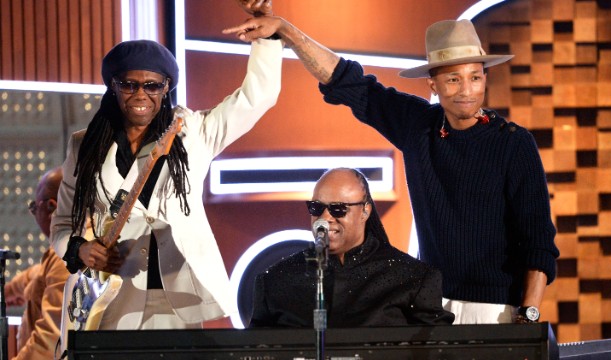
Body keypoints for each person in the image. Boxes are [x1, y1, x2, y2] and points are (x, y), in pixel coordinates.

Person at [224, 16, 560, 324]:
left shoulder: (514, 144)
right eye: (454, 79)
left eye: (475, 77)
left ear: (486, 77)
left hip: (498, 310)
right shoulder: (419, 126)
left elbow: (538, 243)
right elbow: (348, 82)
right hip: (431, 305)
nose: (467, 90)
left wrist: (527, 315)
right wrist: (286, 31)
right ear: (434, 85)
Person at [50, 1, 282, 331]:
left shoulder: (196, 132)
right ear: (113, 86)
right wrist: (80, 249)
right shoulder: (84, 145)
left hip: (177, 295)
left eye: (152, 85)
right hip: (111, 295)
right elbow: (61, 223)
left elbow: (259, 95)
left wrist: (266, 36)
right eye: (129, 84)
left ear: (167, 87)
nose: (140, 95)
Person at [250, 168, 454, 327]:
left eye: (338, 209)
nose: (325, 218)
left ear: (365, 211)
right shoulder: (275, 281)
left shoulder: (413, 279)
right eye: (316, 208)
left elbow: (437, 350)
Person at [5, 167, 68, 360]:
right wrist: (9, 292)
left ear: (51, 207)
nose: (34, 213)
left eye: (34, 208)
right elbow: (37, 274)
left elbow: (50, 338)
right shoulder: (67, 247)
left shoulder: (65, 255)